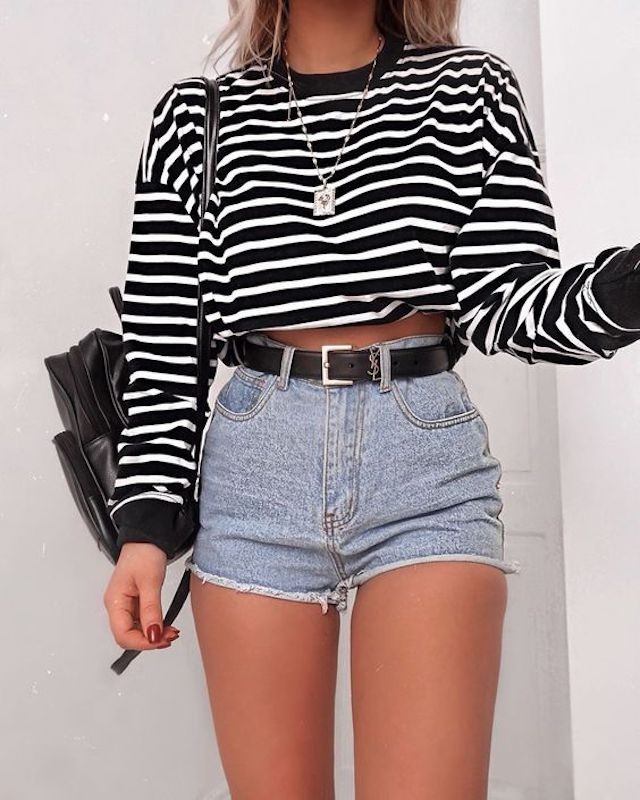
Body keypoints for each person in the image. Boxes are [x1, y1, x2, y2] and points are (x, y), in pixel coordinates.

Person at [103, 0, 640, 796]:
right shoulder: (196, 118)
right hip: (256, 474)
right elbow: (165, 345)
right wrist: (146, 530)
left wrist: (628, 288)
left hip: (422, 465)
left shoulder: (468, 91)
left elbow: (509, 304)